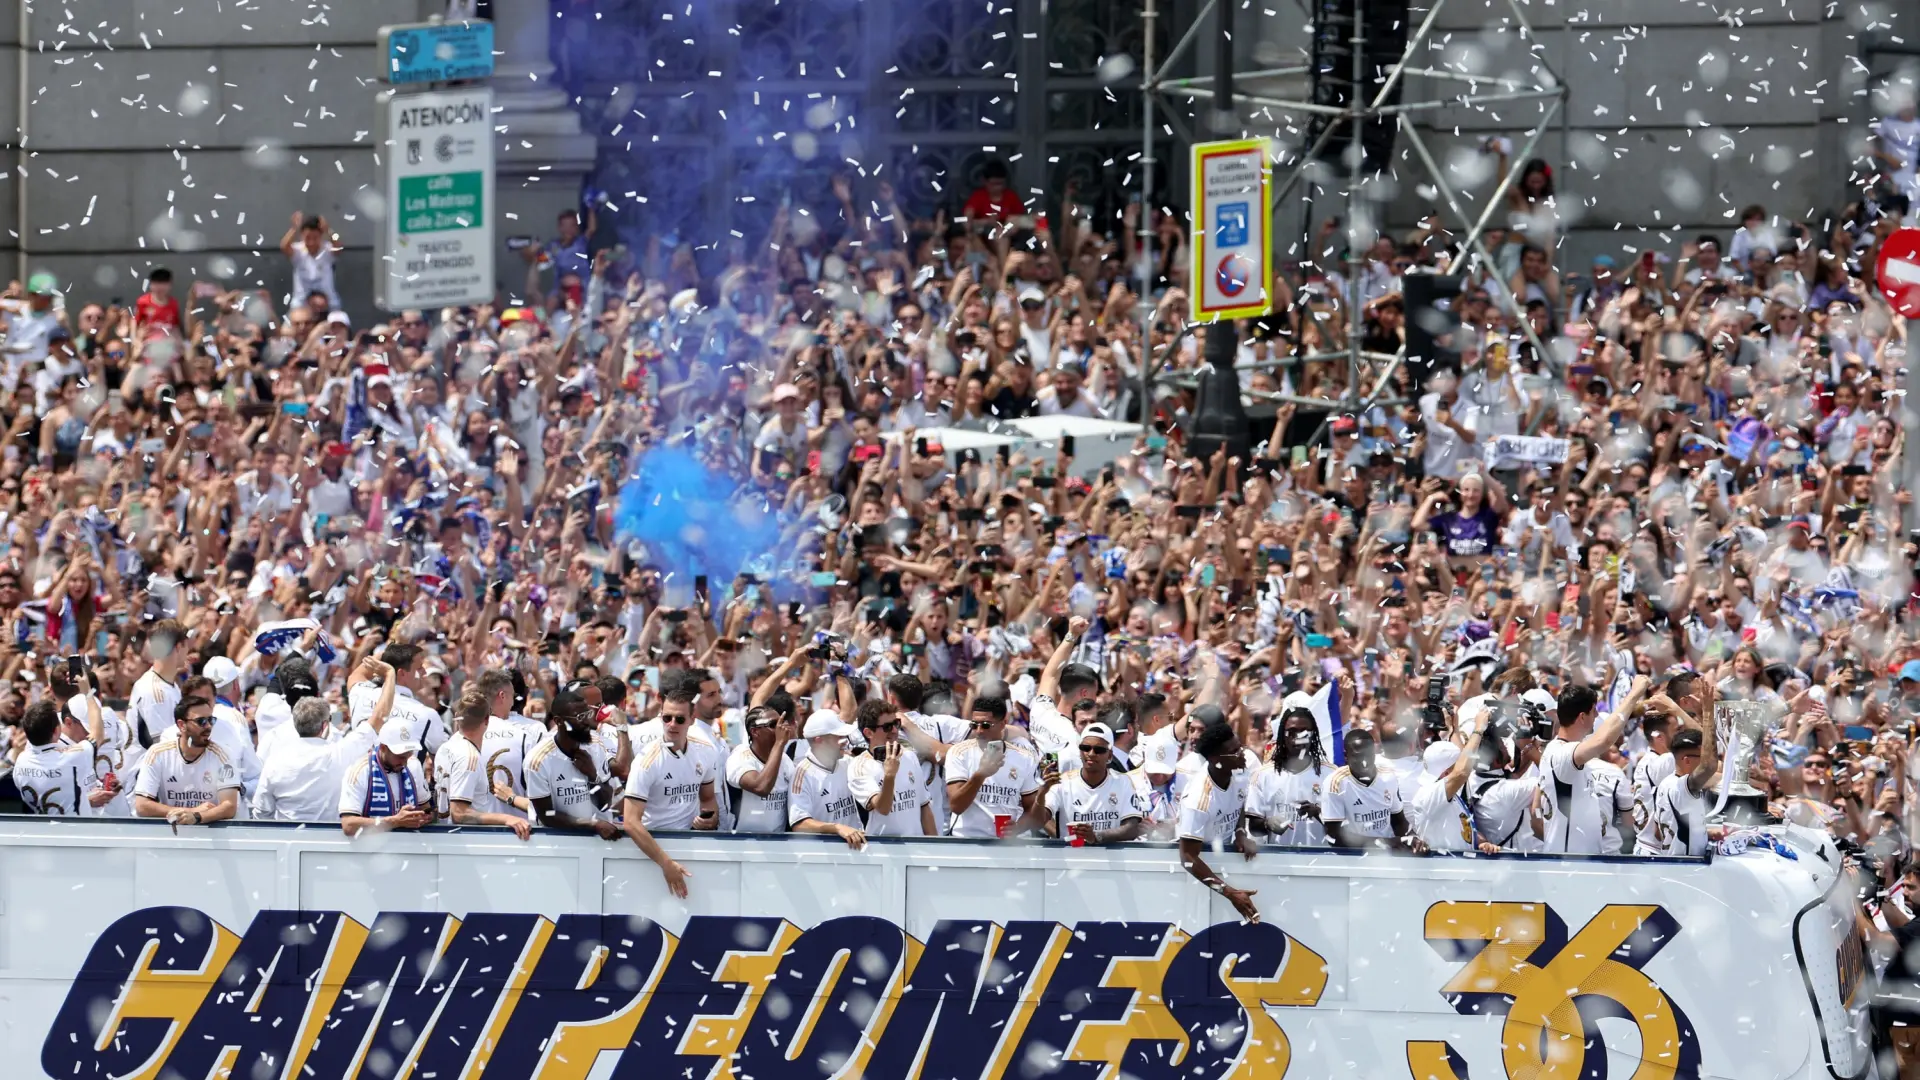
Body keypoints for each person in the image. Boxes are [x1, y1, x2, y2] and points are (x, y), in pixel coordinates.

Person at [622, 686, 719, 898]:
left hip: (691, 845)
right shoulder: (647, 761)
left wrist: (710, 819)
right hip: (652, 849)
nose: (672, 725)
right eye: (666, 718)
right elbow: (630, 822)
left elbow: (709, 798)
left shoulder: (706, 750)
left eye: (679, 719)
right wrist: (665, 863)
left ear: (692, 719)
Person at [1539, 679, 1646, 854]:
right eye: (1594, 711)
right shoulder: (1562, 754)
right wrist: (1634, 694)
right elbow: (1604, 740)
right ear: (1582, 717)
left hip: (1577, 864)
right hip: (1568, 866)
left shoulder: (1556, 750)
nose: (1596, 716)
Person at [1174, 719, 1260, 922]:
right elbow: (1188, 857)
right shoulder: (1198, 799)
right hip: (1197, 874)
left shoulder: (1239, 771)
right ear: (1215, 759)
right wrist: (1230, 893)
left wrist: (1240, 832)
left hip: (1224, 860)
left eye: (1241, 747)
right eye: (1235, 751)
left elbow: (1237, 803)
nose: (1243, 755)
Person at [524, 688, 625, 838]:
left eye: (587, 714)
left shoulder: (595, 744)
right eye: (579, 717)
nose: (587, 721)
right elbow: (546, 814)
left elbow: (605, 804)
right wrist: (591, 824)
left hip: (595, 841)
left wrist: (592, 776)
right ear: (559, 721)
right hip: (556, 842)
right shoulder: (537, 760)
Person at [434, 689, 533, 839]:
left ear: (456, 718)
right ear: (487, 720)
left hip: (446, 836)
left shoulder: (446, 747)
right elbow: (459, 813)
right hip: (465, 840)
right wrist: (507, 818)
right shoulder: (468, 756)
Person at [131, 697, 242, 831]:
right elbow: (142, 806)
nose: (208, 726)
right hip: (173, 834)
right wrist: (191, 812)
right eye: (201, 721)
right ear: (182, 725)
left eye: (211, 720)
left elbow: (229, 807)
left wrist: (197, 817)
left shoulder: (224, 755)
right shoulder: (157, 753)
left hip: (213, 833)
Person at [944, 695, 1042, 839]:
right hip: (968, 841)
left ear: (1003, 723)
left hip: (1008, 845)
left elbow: (1032, 810)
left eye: (985, 725)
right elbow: (956, 806)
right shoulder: (959, 752)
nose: (979, 731)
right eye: (973, 725)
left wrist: (1018, 827)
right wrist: (981, 774)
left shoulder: (1024, 757)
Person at [1039, 722, 1145, 845]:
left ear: (1110, 755)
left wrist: (1096, 836)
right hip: (1071, 859)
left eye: (1099, 750)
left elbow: (1131, 829)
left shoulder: (1123, 781)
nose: (1091, 754)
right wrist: (1041, 795)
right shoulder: (1062, 782)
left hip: (1110, 860)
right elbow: (1040, 820)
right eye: (1085, 748)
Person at [1245, 700, 1332, 847]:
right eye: (1291, 732)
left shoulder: (1331, 775)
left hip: (1322, 862)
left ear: (1313, 735)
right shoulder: (1263, 775)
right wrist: (1268, 823)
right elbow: (1254, 827)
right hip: (1281, 863)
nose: (1298, 738)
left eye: (1305, 732)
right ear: (1282, 736)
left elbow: (1344, 828)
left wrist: (1318, 812)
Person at [1322, 728, 1423, 851]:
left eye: (1368, 755)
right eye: (1357, 756)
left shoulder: (1388, 777)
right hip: (1353, 859)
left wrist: (1411, 837)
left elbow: (1398, 821)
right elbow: (1334, 836)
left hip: (1386, 858)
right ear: (1346, 756)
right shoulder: (1335, 783)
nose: (1364, 762)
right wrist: (1381, 843)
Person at [848, 699, 935, 837]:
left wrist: (934, 847)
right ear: (868, 732)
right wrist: (889, 776)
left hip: (917, 848)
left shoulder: (909, 756)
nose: (895, 730)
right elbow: (883, 808)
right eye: (887, 727)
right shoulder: (859, 766)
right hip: (884, 851)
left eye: (896, 724)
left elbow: (924, 806)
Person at [251, 697, 346, 823]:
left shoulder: (275, 761)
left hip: (286, 838)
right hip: (332, 837)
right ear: (324, 726)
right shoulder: (341, 758)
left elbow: (262, 811)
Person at [787, 709, 867, 849]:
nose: (845, 741)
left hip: (857, 848)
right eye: (839, 737)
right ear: (819, 741)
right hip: (825, 857)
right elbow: (799, 824)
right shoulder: (802, 774)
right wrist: (837, 828)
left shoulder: (848, 763)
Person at [1635, 726, 1720, 857]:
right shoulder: (1682, 786)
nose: (1706, 762)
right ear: (1687, 760)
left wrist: (1707, 833)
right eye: (1703, 758)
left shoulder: (1666, 783)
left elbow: (1658, 833)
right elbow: (1709, 767)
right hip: (1686, 868)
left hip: (1672, 862)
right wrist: (1708, 711)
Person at [11, 698, 102, 816]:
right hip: (76, 830)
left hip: (43, 829)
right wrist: (89, 693)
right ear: (57, 730)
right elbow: (98, 734)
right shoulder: (71, 757)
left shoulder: (21, 760)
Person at [338, 724, 432, 837]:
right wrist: (395, 822)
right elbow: (349, 825)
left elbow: (426, 808)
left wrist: (424, 817)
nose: (404, 763)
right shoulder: (361, 770)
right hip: (369, 849)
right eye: (401, 756)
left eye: (408, 755)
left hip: (408, 847)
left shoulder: (413, 764)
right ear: (383, 748)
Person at [725, 705, 796, 833]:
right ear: (755, 731)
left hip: (777, 841)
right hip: (743, 842)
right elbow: (761, 787)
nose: (781, 728)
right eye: (773, 724)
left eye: (782, 722)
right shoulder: (739, 757)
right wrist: (779, 744)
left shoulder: (784, 759)